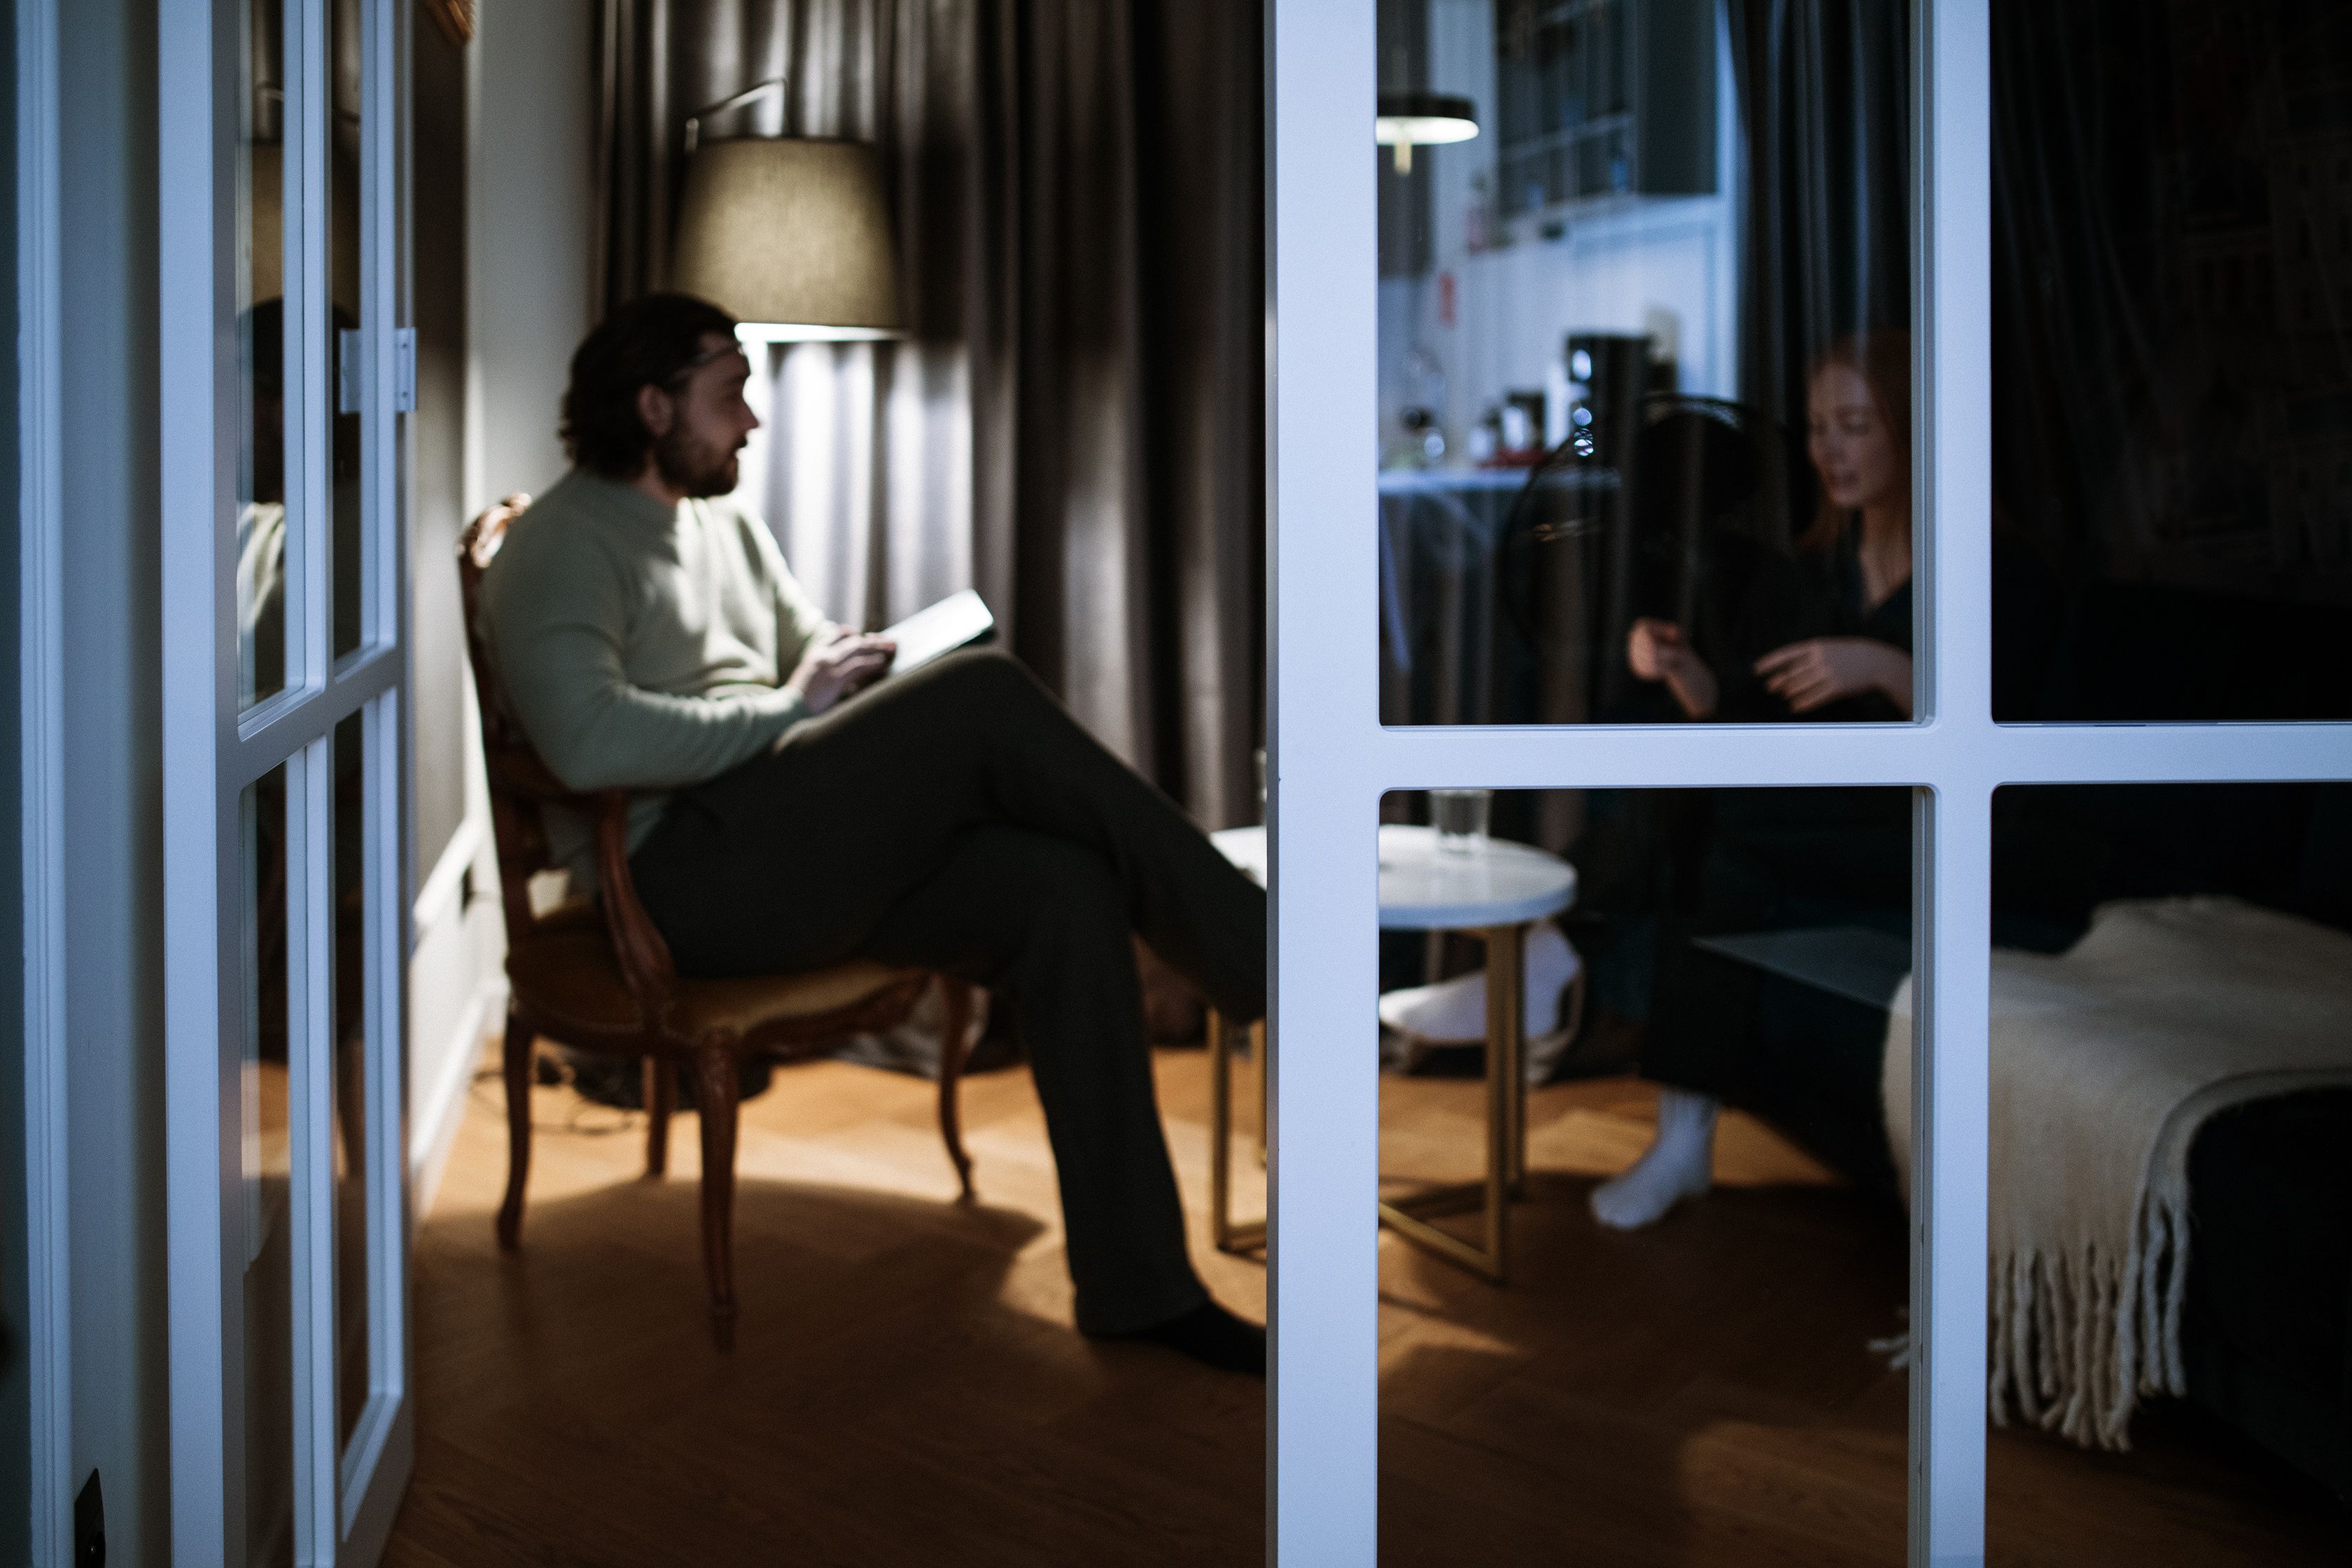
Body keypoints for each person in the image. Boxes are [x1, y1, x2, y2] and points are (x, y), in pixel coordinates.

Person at [479, 293, 1269, 1373]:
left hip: (791, 850)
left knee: (1061, 885)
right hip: (686, 889)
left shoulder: (718, 519)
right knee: (983, 700)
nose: (751, 421)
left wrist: (858, 662)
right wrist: (787, 709)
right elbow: (586, 742)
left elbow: (801, 643)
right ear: (653, 405)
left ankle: (1139, 1289)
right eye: (731, 395)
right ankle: (1264, 951)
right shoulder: (559, 550)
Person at [1590, 330, 1919, 1231]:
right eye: (1818, 427)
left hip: (1908, 824)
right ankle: (1681, 1133)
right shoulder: (1814, 571)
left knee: (1715, 823)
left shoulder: (1980, 573)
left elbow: (2002, 727)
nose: (1828, 450)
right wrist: (1684, 669)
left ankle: (1560, 950)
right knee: (1676, 762)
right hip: (1800, 811)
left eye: (1854, 424)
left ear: (1911, 428)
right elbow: (1751, 718)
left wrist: (1886, 670)